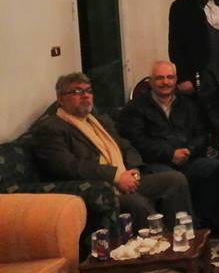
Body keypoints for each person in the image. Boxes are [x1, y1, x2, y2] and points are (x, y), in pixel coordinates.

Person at [32, 72, 191, 230]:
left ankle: (183, 235)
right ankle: (162, 243)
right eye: (77, 92)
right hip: (101, 188)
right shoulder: (51, 128)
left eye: (88, 91)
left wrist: (134, 170)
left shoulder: (98, 120)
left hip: (126, 177)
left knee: (175, 180)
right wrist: (115, 177)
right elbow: (69, 166)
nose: (85, 96)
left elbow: (126, 146)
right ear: (60, 98)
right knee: (137, 204)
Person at [118, 61, 219, 229]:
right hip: (155, 163)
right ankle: (184, 230)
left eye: (170, 77)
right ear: (151, 82)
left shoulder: (189, 104)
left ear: (176, 79)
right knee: (174, 179)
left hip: (188, 158)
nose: (165, 82)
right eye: (160, 78)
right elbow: (137, 142)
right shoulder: (135, 108)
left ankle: (210, 227)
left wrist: (189, 150)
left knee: (214, 167)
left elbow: (202, 134)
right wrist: (170, 154)